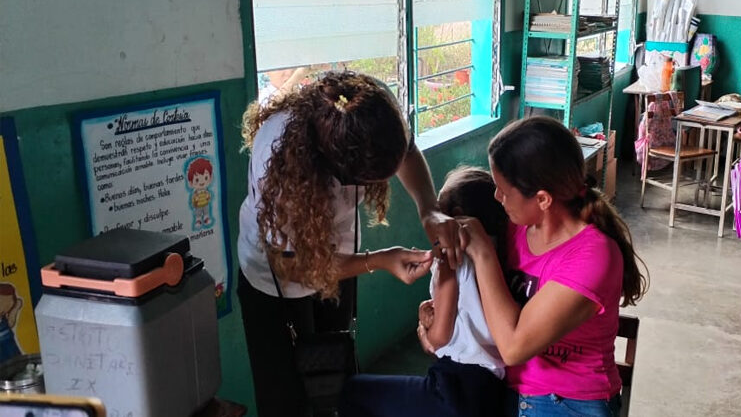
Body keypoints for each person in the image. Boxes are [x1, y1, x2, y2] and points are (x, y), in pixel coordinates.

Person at [238, 70, 462, 417]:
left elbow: (406, 151)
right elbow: (294, 267)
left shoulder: (369, 113)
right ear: (340, 171)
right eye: (370, 181)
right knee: (286, 397)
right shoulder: (280, 166)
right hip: (276, 280)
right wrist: (378, 260)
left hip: (336, 261)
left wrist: (429, 209)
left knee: (336, 373)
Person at [428, 117, 649, 417]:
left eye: (503, 191)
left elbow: (513, 348)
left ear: (543, 199)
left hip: (567, 403)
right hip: (506, 388)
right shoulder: (515, 229)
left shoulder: (594, 257)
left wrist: (484, 253)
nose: (496, 198)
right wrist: (434, 313)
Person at [338, 167, 509, 417]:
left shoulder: (449, 260)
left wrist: (424, 329)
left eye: (438, 208)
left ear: (455, 216)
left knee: (353, 392)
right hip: (492, 389)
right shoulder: (500, 253)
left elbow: (439, 337)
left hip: (455, 389)